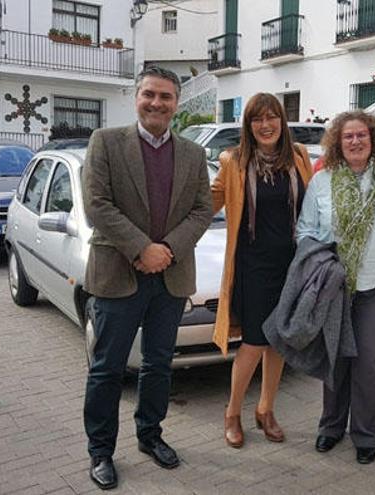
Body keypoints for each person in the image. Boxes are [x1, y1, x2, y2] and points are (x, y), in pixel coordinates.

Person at [81, 66, 213, 490]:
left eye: (166, 97)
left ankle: (150, 435)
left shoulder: (193, 154)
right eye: (149, 94)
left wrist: (167, 251)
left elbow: (201, 211)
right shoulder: (106, 142)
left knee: (158, 364)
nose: (157, 103)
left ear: (177, 103)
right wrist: (143, 248)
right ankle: (100, 451)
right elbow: (96, 205)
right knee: (107, 368)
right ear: (136, 96)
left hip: (170, 277)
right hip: (118, 274)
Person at [211, 93, 313, 448]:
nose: (266, 125)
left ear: (282, 122)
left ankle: (266, 410)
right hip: (253, 267)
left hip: (292, 265)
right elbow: (205, 202)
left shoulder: (299, 157)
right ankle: (233, 412)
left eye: (272, 118)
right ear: (248, 125)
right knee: (254, 342)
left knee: (280, 343)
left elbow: (314, 203)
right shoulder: (234, 161)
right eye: (258, 119)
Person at [296, 110, 375, 464]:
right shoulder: (322, 181)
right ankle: (331, 426)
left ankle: (367, 433)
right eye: (348, 136)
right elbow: (305, 230)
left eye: (362, 136)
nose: (355, 141)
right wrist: (321, 264)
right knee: (336, 354)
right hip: (334, 284)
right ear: (338, 143)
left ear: (373, 140)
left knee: (369, 358)